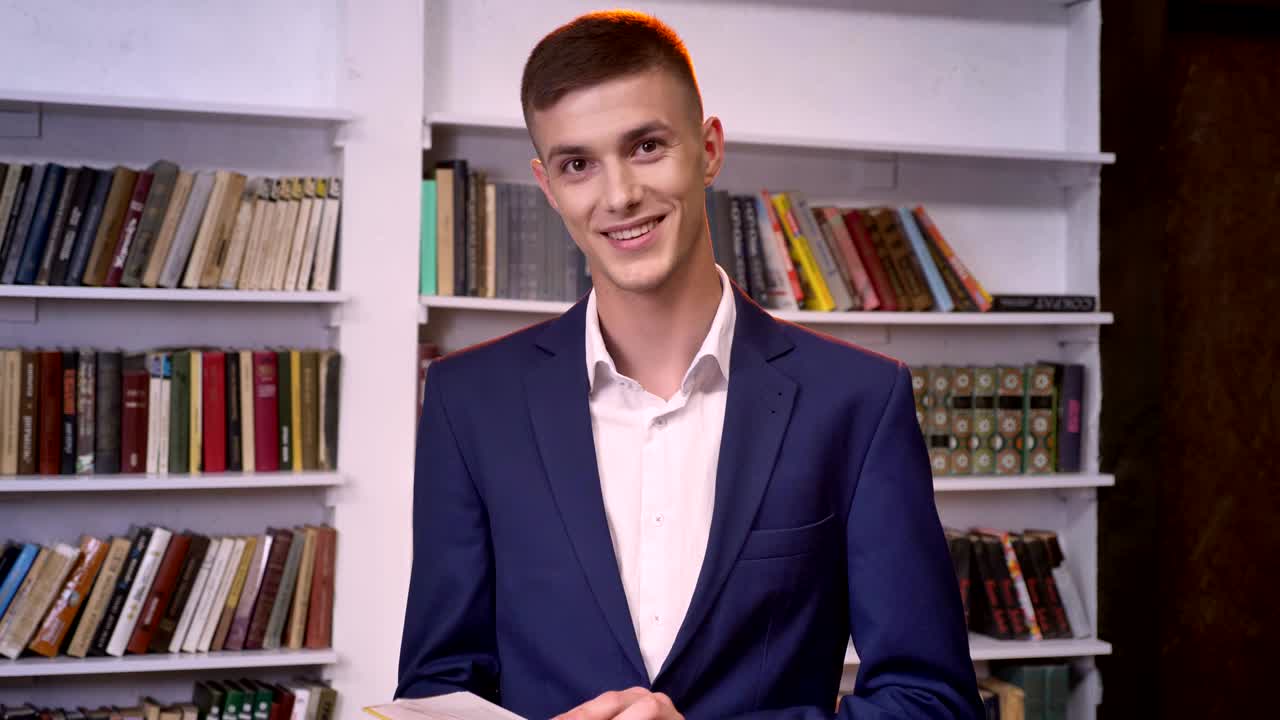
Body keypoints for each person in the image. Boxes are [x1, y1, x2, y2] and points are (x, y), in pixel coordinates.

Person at [397, 10, 981, 720]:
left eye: (645, 146)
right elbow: (436, 691)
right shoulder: (468, 402)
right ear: (547, 186)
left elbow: (933, 704)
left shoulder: (857, 401)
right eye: (577, 164)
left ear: (708, 149)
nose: (618, 196)